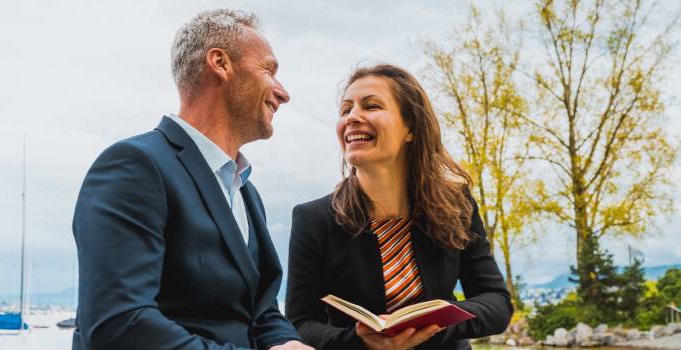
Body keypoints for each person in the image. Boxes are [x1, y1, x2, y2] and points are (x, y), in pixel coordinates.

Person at [71, 9, 313, 350]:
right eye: (269, 71)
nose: (283, 93)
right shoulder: (135, 166)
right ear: (220, 63)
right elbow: (120, 325)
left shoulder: (246, 191)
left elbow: (261, 313)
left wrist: (286, 343)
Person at [285, 64, 513, 350]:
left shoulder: (456, 205)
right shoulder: (313, 219)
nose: (352, 117)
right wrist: (360, 341)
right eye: (346, 110)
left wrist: (431, 324)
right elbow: (300, 323)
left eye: (371, 106)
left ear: (410, 128)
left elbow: (496, 302)